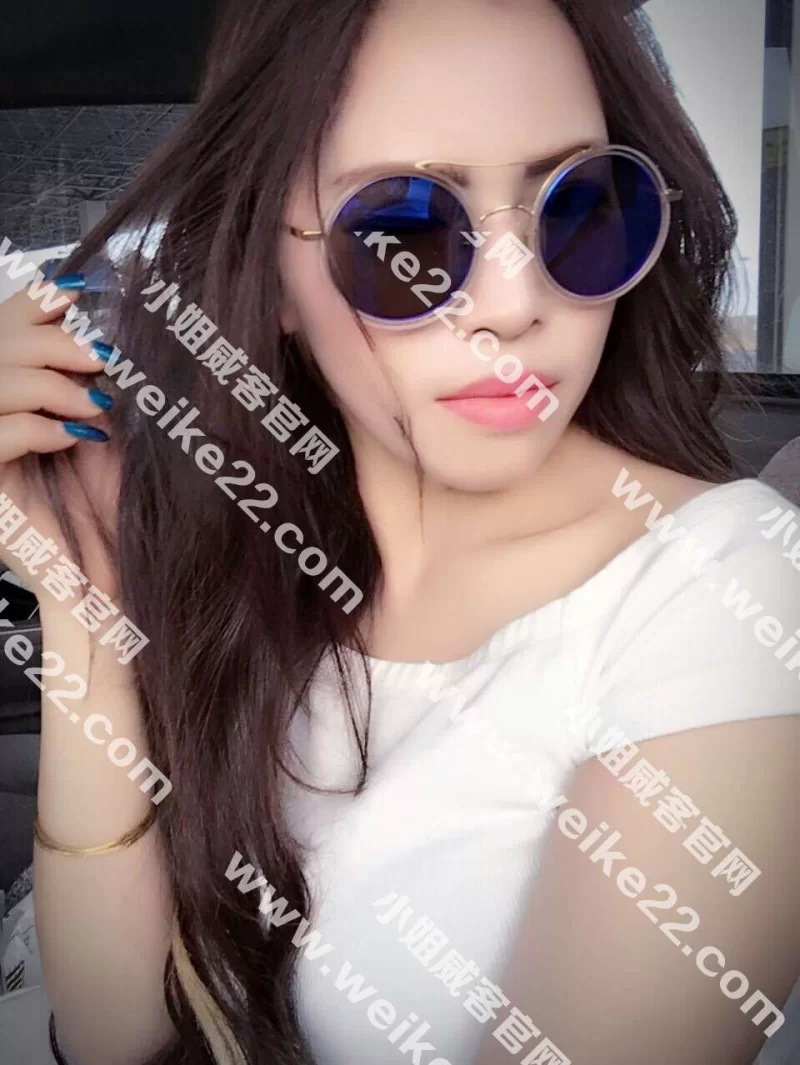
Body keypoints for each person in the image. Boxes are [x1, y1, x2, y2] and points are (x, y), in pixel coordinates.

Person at [0, 0, 797, 1062]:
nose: (512, 305)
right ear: (271, 276)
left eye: (580, 209)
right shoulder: (255, 557)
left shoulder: (723, 588)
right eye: (404, 231)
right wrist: (86, 606)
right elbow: (117, 1032)